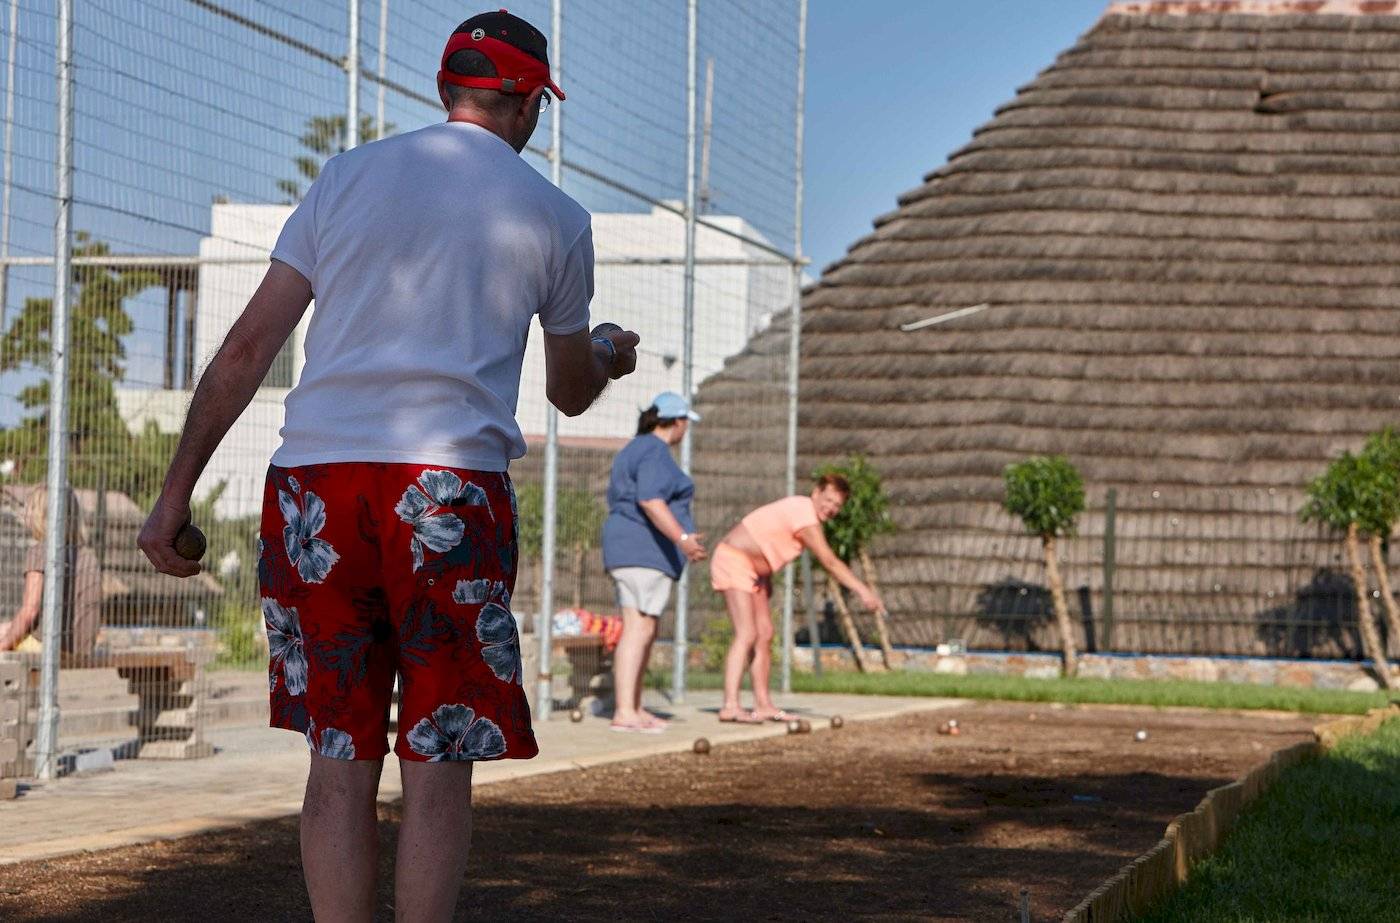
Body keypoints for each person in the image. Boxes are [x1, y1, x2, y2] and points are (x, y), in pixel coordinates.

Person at [138, 11, 639, 922]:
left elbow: (249, 349)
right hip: (448, 492)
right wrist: (605, 350)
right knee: (438, 760)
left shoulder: (346, 177)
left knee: (339, 754)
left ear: (446, 88)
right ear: (528, 102)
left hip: (317, 490)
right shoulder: (558, 218)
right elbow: (569, 391)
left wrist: (172, 495)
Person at [711, 475, 883, 723]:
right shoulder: (804, 514)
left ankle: (763, 705)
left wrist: (766, 579)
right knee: (747, 633)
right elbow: (829, 561)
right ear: (816, 493)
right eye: (828, 500)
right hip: (734, 560)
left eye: (837, 505)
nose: (831, 508)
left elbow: (764, 540)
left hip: (755, 573)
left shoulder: (806, 514)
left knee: (765, 633)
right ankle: (730, 706)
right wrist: (863, 590)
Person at [601, 392, 706, 733]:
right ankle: (625, 712)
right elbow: (650, 499)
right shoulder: (654, 450)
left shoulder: (636, 447)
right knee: (638, 626)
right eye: (685, 423)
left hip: (634, 549)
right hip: (641, 550)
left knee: (645, 626)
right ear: (677, 422)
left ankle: (634, 707)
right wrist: (683, 539)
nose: (686, 430)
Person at [0, 486, 101, 658]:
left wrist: (3, 646)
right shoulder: (88, 555)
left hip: (49, 648)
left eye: (29, 509)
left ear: (40, 515)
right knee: (5, 627)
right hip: (82, 648)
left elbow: (30, 611)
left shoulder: (41, 551)